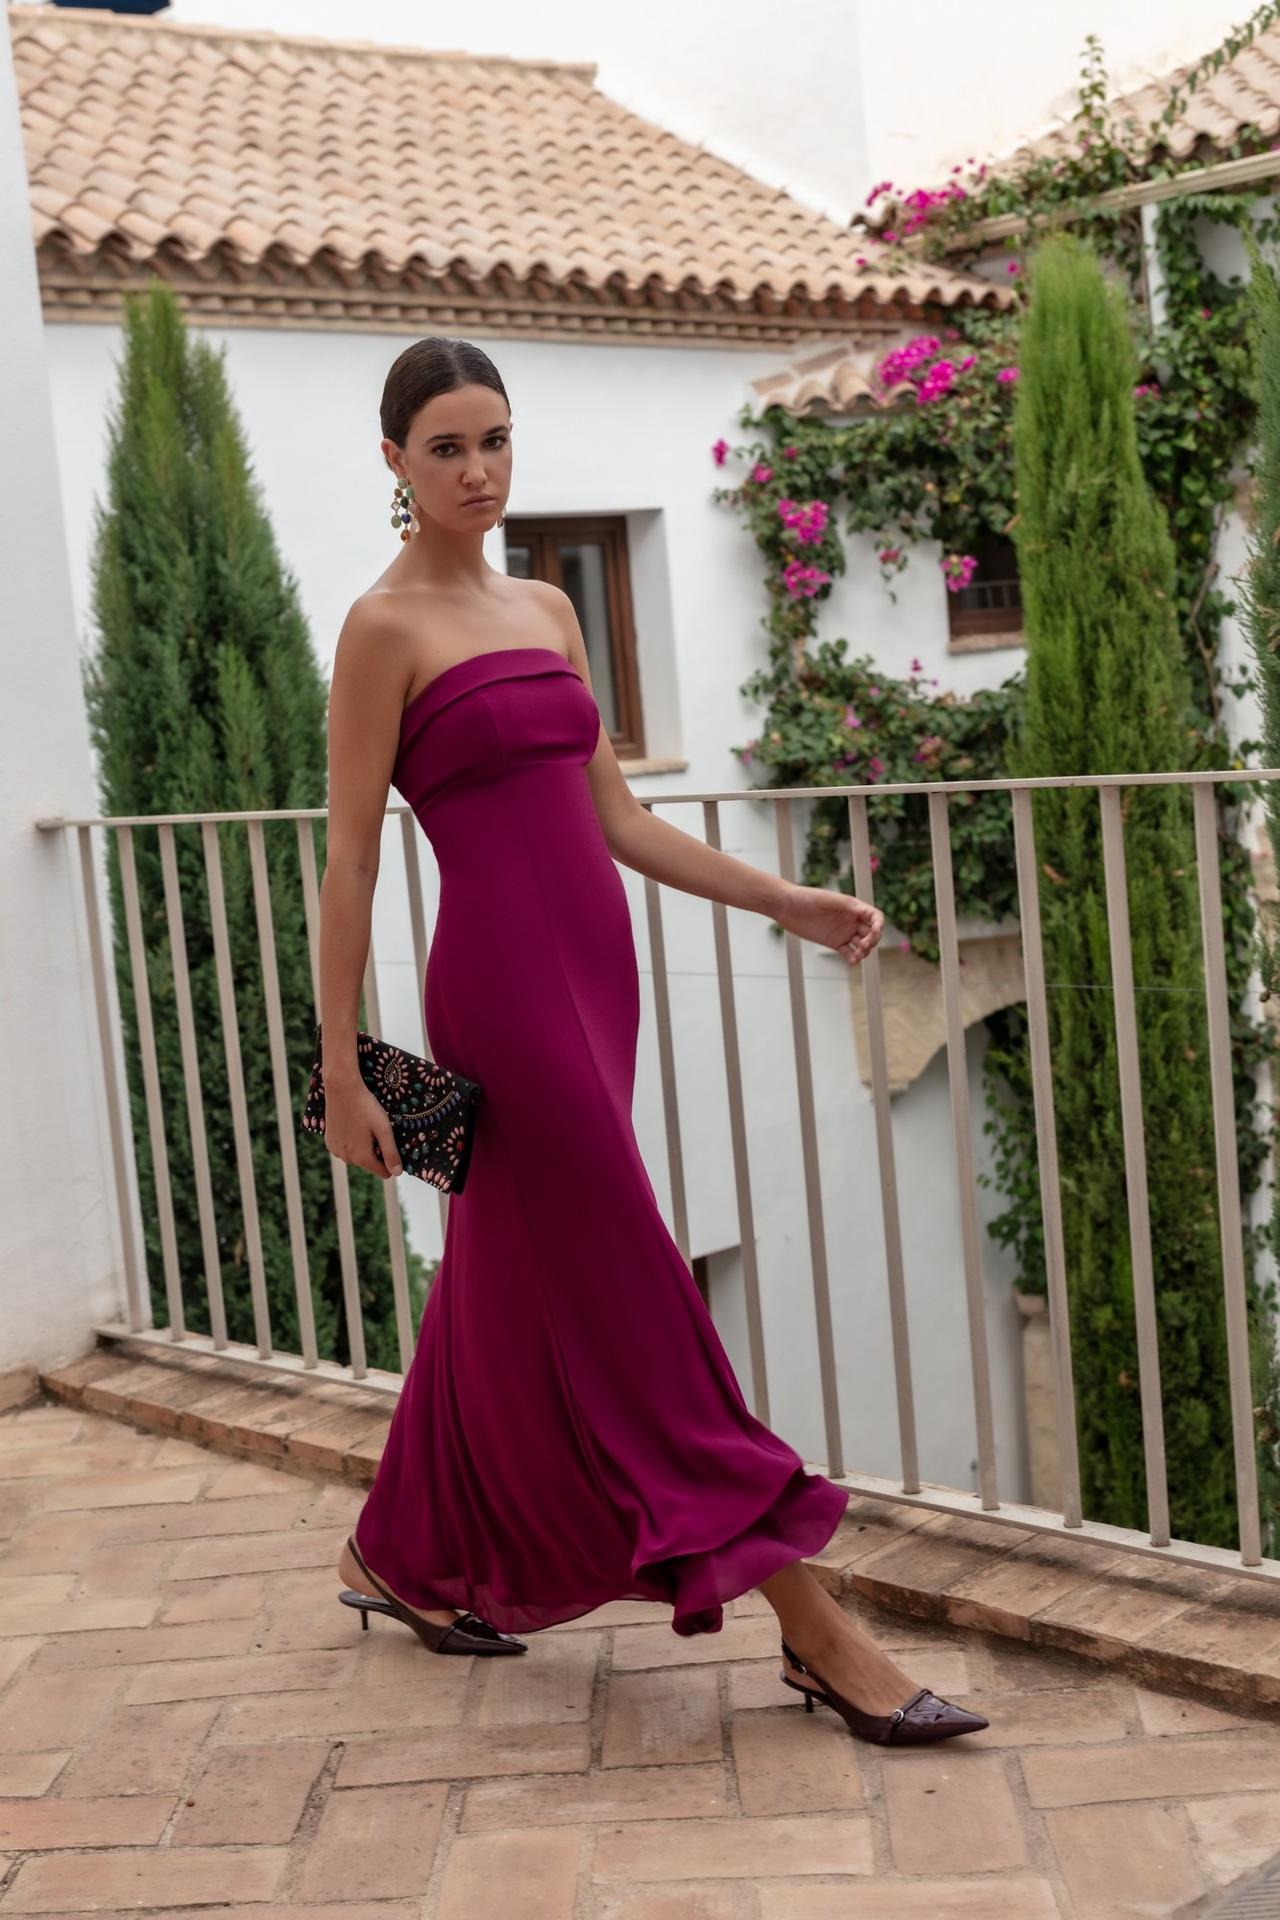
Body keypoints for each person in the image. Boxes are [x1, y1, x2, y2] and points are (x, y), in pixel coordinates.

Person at [318, 337, 988, 1748]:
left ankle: (397, 1551)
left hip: (597, 975)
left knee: (512, 1269)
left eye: (496, 439)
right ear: (394, 462)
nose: (480, 470)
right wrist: (339, 1062)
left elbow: (618, 824)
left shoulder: (552, 608)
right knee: (631, 1284)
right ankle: (815, 1627)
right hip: (498, 991)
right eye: (446, 447)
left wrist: (787, 897)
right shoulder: (381, 631)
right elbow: (352, 866)